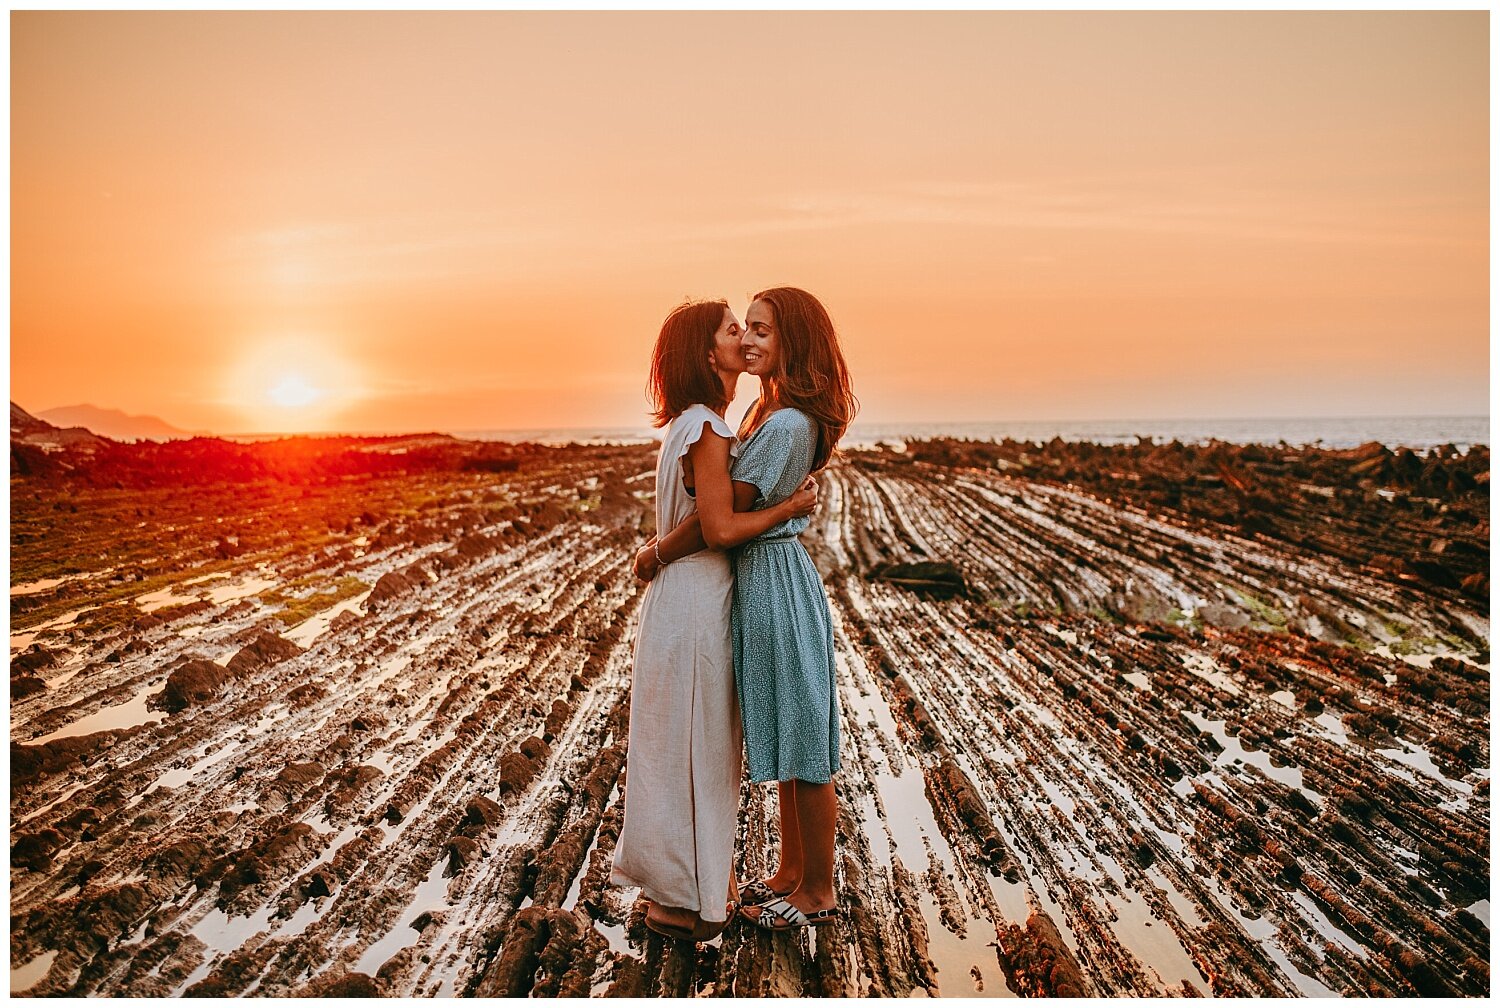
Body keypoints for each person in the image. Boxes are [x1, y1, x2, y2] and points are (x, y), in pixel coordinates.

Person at [639, 287, 856, 932]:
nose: (752, 340)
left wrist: (659, 549)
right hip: (762, 581)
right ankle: (792, 872)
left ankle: (817, 888)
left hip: (776, 583)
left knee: (805, 738)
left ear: (794, 341)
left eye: (763, 330)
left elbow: (720, 516)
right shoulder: (772, 415)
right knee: (788, 733)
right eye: (745, 329)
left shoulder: (787, 423)